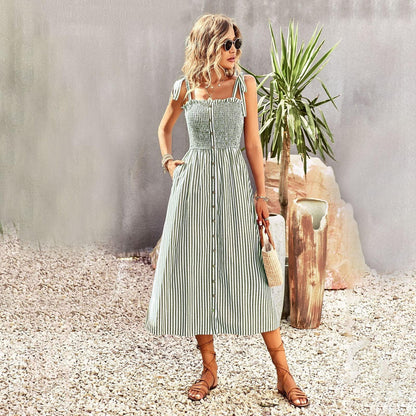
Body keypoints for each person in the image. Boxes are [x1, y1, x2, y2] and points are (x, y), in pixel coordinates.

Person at [144, 13, 309, 408]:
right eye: (227, 44)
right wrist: (170, 164)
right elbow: (163, 129)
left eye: (238, 43)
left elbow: (252, 145)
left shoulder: (244, 86)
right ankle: (209, 369)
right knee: (197, 272)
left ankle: (284, 374)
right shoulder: (185, 87)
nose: (235, 50)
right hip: (193, 189)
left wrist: (261, 195)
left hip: (235, 188)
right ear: (207, 45)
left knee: (251, 275)